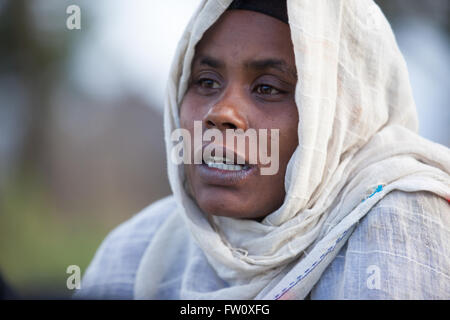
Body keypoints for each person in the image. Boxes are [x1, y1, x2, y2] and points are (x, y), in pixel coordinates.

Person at [75, 0, 450, 299]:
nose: (221, 113)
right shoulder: (135, 251)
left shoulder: (400, 221)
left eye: (268, 88)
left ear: (341, 118)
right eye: (205, 81)